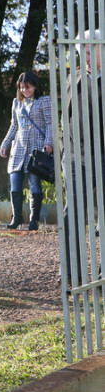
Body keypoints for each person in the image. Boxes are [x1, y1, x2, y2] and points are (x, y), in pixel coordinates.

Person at [62, 30, 105, 285]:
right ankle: (72, 275)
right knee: (73, 212)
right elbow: (65, 117)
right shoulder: (73, 77)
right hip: (77, 155)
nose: (85, 55)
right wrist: (64, 149)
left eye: (90, 50)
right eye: (81, 51)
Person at [0, 72, 53, 231]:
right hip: (19, 149)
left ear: (35, 86)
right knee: (14, 183)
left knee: (34, 183)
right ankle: (16, 218)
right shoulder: (17, 103)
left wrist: (48, 143)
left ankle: (34, 220)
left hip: (36, 149)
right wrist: (5, 143)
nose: (24, 90)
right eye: (22, 87)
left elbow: (50, 124)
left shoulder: (44, 101)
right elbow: (14, 126)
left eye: (27, 87)